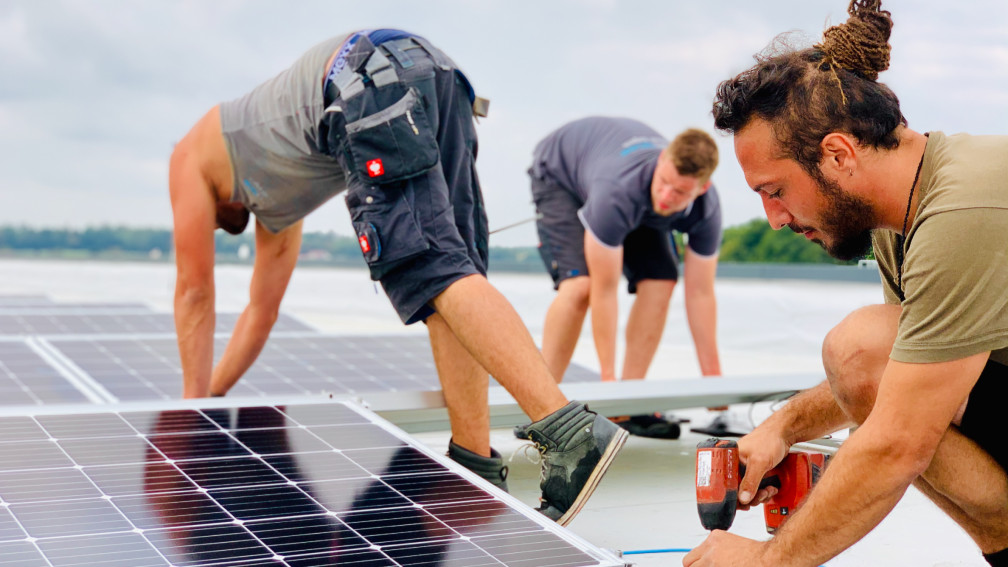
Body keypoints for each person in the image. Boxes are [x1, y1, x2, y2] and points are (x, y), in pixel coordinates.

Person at [168, 29, 628, 526]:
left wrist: (191, 415)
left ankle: (569, 434)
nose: (211, 226)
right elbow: (262, 310)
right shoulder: (277, 198)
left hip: (365, 82)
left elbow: (195, 290)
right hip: (434, 76)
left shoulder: (189, 157)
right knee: (453, 275)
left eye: (211, 221)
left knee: (425, 265)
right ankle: (475, 462)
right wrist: (212, 399)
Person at [686, 1, 1008, 566]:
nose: (774, 219)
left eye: (775, 190)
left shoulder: (966, 209)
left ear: (837, 154)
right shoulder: (899, 214)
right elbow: (907, 375)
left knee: (863, 348)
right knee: (867, 358)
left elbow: (898, 442)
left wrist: (768, 562)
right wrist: (783, 427)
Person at [527, 116, 724, 439]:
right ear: (662, 161)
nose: (666, 196)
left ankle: (628, 404)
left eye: (679, 192)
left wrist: (714, 381)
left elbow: (701, 293)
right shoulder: (616, 193)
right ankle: (540, 407)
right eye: (664, 182)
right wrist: (607, 381)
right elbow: (605, 291)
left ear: (703, 188)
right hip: (561, 173)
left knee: (661, 280)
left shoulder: (708, 210)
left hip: (620, 181)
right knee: (581, 286)